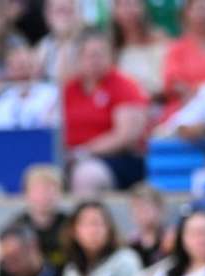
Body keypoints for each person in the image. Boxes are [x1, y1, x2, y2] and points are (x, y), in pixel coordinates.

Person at [63, 29, 149, 189]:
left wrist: (84, 152)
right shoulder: (70, 88)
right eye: (89, 55)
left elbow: (125, 137)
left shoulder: (124, 86)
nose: (94, 60)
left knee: (86, 175)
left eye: (99, 54)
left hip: (117, 160)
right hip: (71, 158)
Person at [59, 201, 143, 276]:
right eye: (86, 224)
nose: (93, 231)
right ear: (74, 231)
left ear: (109, 229)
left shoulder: (125, 260)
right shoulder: (72, 270)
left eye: (98, 223)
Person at [161, 0, 205, 123]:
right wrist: (200, 97)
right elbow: (173, 83)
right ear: (187, 14)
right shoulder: (177, 48)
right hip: (186, 105)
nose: (202, 15)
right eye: (198, 9)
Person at [0, 44, 59, 130]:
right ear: (8, 72)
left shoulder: (53, 95)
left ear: (38, 69)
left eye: (28, 66)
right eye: (17, 68)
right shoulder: (0, 104)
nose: (22, 72)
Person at [5, 164, 68, 267]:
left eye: (49, 189)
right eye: (38, 190)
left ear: (60, 193)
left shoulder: (70, 225)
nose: (43, 195)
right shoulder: (16, 226)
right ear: (26, 194)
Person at [111, 0, 168, 99]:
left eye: (135, 4)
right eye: (124, 5)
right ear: (115, 11)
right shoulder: (110, 47)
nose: (130, 11)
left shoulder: (159, 38)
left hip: (159, 100)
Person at [34, 0, 81, 82]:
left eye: (67, 11)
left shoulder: (86, 43)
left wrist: (63, 40)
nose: (63, 18)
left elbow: (68, 83)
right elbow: (35, 82)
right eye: (59, 11)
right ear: (48, 15)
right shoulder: (43, 45)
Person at [127, 183, 168, 266]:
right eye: (137, 207)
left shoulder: (171, 241)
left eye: (146, 207)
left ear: (160, 209)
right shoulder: (129, 244)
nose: (141, 212)